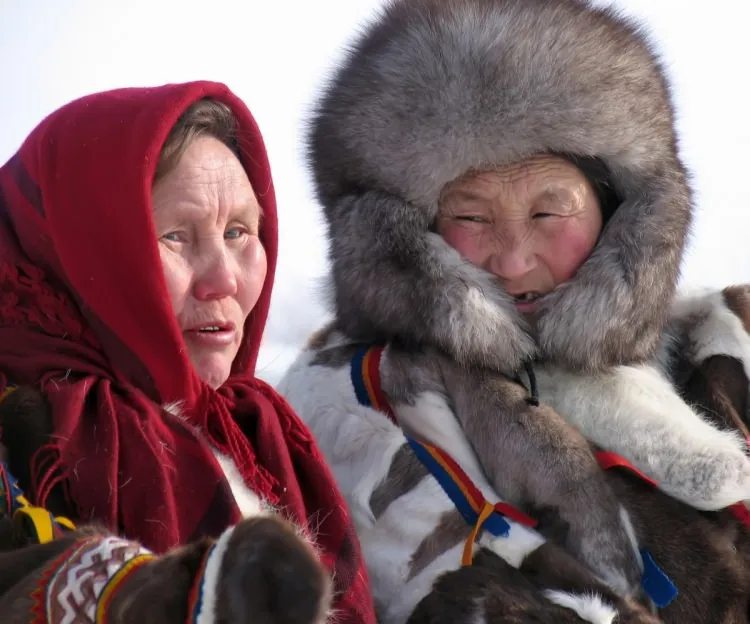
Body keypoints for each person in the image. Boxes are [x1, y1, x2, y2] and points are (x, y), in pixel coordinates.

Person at [277, 0, 750, 622]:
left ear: (620, 212)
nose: (515, 260)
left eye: (549, 212)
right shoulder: (356, 399)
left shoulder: (727, 341)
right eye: (472, 216)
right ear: (409, 233)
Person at [0, 81, 376, 623]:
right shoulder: (23, 428)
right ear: (84, 249)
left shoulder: (267, 437)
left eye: (240, 232)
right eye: (176, 235)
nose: (223, 280)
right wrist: (138, 593)